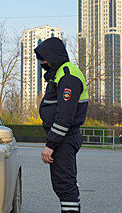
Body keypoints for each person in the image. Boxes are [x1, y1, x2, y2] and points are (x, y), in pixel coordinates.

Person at [35, 37, 88, 213]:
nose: (43, 63)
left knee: (65, 186)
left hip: (64, 139)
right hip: (64, 138)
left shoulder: (67, 76)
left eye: (44, 58)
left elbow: (64, 116)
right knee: (66, 184)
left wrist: (51, 144)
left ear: (54, 56)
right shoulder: (61, 74)